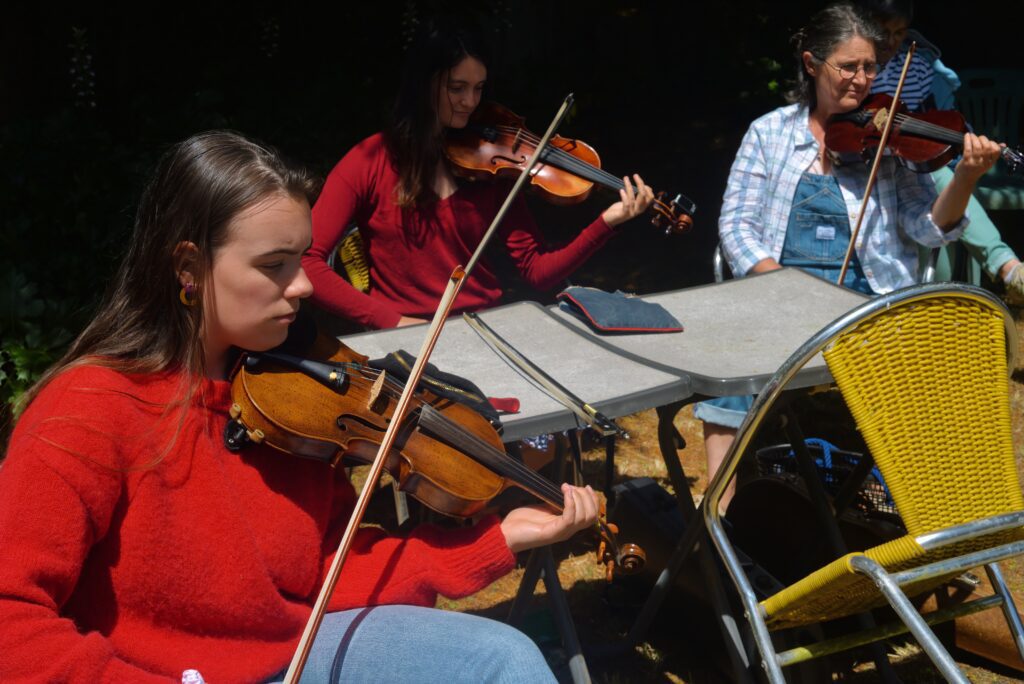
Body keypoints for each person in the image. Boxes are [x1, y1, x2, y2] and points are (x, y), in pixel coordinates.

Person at [0, 130, 602, 683]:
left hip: (289, 653)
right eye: (274, 266)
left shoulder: (293, 397)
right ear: (188, 267)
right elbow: (10, 621)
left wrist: (492, 542)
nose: (306, 286)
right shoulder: (87, 409)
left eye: (303, 258)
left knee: (505, 661)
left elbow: (324, 570)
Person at [699, 2, 1002, 509]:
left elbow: (926, 228)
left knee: (926, 364)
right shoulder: (769, 133)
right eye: (849, 67)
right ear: (812, 63)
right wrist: (775, 281)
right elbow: (735, 224)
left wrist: (967, 176)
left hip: (866, 299)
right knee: (732, 350)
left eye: (870, 67)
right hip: (778, 291)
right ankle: (718, 505)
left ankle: (911, 511)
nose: (862, 81)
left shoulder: (891, 137)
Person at [301, 22, 655, 331]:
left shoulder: (492, 164)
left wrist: (607, 222)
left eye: (479, 88)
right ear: (423, 85)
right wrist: (388, 320)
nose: (470, 102)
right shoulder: (368, 160)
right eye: (457, 88)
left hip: (483, 328)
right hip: (403, 336)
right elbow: (307, 261)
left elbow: (535, 270)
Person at [858, 0, 1024, 304]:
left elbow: (927, 118)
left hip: (904, 159)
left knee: (940, 173)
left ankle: (1008, 270)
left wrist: (968, 142)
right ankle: (1005, 266)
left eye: (900, 33)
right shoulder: (855, 66)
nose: (893, 42)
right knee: (938, 177)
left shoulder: (917, 68)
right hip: (863, 156)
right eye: (884, 32)